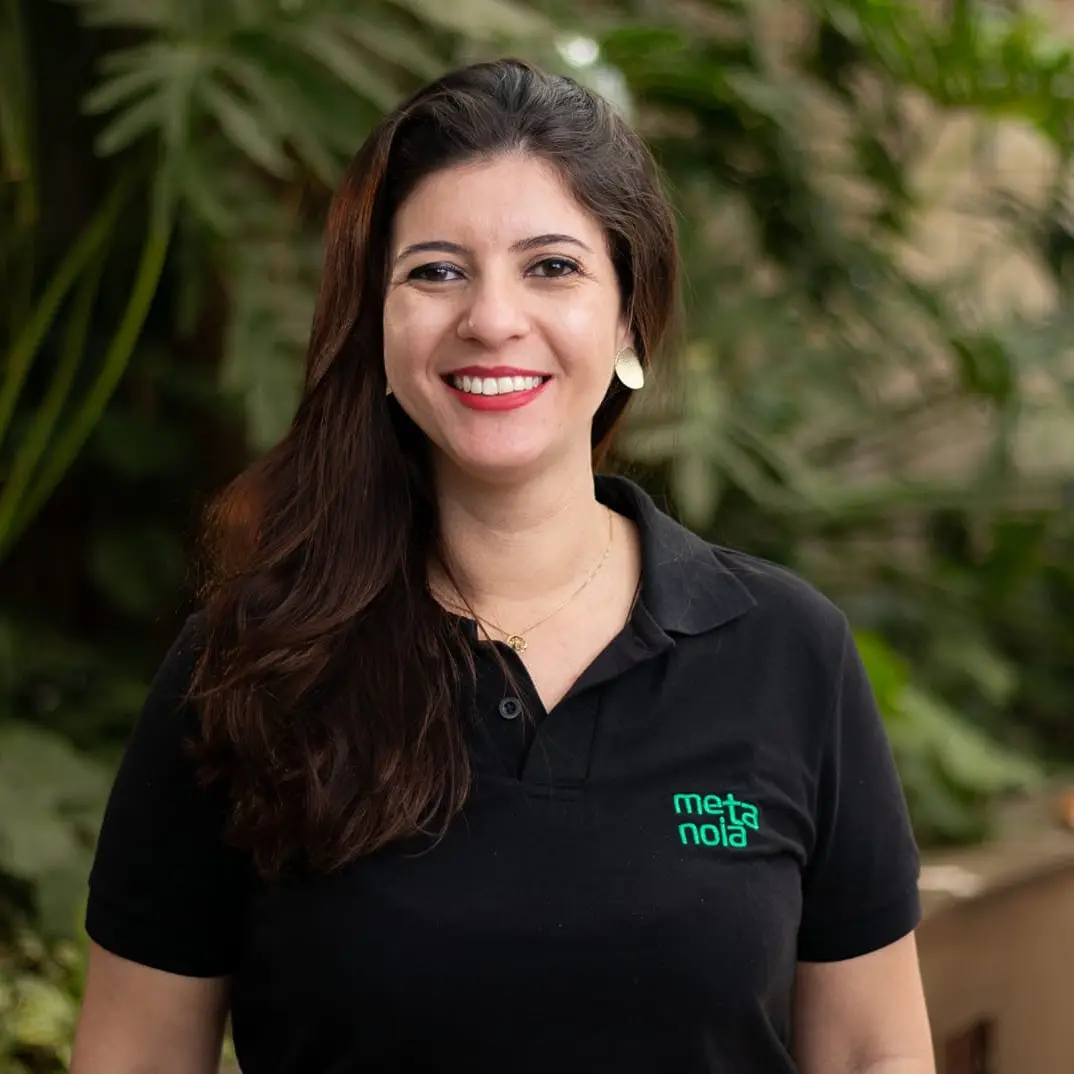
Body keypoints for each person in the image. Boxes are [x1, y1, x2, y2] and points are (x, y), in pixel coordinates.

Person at [71, 58, 935, 1074]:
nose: (491, 319)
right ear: (375, 321)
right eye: (436, 271)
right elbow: (132, 1058)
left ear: (630, 315)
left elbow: (876, 1053)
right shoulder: (251, 662)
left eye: (551, 267)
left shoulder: (787, 651)